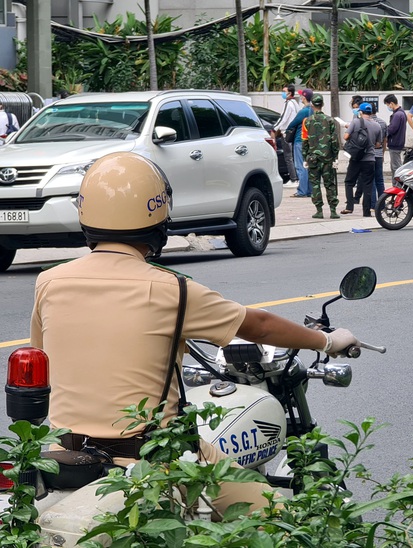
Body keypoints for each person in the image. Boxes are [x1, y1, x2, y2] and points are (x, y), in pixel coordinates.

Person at [29, 152, 359, 516]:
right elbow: (259, 325)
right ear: (157, 216)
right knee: (278, 515)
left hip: (64, 457)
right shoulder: (175, 290)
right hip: (152, 459)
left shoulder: (49, 282)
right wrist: (328, 340)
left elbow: (44, 358)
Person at [301, 94, 340, 219]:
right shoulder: (330, 121)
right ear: (322, 104)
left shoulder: (307, 121)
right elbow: (334, 141)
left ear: (312, 105)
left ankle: (319, 210)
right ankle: (333, 210)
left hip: (313, 158)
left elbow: (305, 141)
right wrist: (335, 157)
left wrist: (304, 158)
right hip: (328, 158)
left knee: (315, 184)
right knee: (329, 184)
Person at [341, 102, 381, 217]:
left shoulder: (355, 122)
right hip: (370, 159)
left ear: (360, 112)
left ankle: (349, 206)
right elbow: (378, 144)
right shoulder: (377, 125)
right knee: (367, 184)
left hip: (356, 158)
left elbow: (345, 137)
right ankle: (366, 212)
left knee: (349, 182)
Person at [286, 89, 314, 197]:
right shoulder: (313, 110)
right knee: (309, 166)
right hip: (310, 141)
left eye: (301, 95)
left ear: (304, 97)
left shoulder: (304, 111)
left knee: (300, 166)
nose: (300, 97)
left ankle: (302, 191)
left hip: (299, 140)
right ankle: (309, 190)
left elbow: (292, 124)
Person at [273, 84, 300, 189]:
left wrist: (275, 128)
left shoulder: (288, 104)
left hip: (286, 132)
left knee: (288, 157)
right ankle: (296, 178)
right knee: (293, 157)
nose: (282, 93)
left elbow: (283, 118)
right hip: (293, 132)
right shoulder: (295, 103)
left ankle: (293, 179)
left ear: (289, 93)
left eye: (284, 91)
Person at [384, 94, 407, 173]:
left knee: (396, 167)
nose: (388, 107)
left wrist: (385, 133)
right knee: (396, 165)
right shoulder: (402, 113)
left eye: (388, 105)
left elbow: (392, 129)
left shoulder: (397, 115)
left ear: (391, 103)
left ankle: (397, 184)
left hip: (395, 143)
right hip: (398, 142)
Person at [371, 106, 388, 207]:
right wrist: (383, 153)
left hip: (369, 155)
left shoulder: (365, 123)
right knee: (380, 180)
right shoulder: (382, 122)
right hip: (379, 153)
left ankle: (373, 204)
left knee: (371, 180)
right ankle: (382, 204)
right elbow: (385, 140)